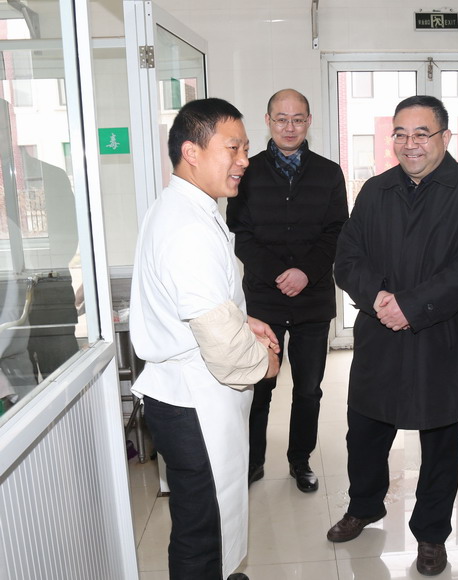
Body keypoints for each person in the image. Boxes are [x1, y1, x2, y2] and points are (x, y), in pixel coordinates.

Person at [328, 95, 458, 577]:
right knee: (365, 430)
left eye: (422, 133)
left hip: (437, 335)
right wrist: (380, 297)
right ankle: (364, 506)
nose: (410, 144)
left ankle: (431, 533)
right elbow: (347, 258)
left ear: (445, 137)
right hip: (379, 331)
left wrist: (411, 306)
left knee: (439, 440)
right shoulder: (375, 190)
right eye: (400, 134)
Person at [130, 97, 281, 580]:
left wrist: (242, 319)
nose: (244, 160)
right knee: (201, 527)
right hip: (191, 401)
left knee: (209, 512)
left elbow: (202, 303)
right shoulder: (187, 225)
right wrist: (264, 364)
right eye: (232, 148)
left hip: (191, 392)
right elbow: (218, 339)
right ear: (191, 152)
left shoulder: (187, 207)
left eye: (246, 148)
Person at [226, 89, 348, 492]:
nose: (289, 127)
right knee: (260, 384)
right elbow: (240, 233)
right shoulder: (247, 172)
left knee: (309, 389)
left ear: (309, 121)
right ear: (268, 121)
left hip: (313, 299)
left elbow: (337, 231)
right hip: (264, 300)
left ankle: (300, 460)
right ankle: (254, 461)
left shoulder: (329, 173)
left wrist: (305, 273)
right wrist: (280, 274)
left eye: (297, 119)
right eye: (281, 119)